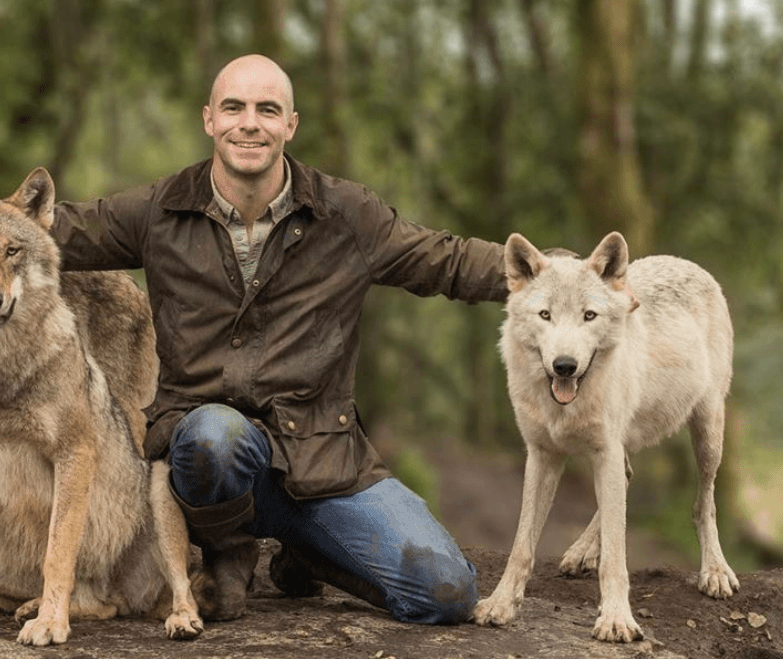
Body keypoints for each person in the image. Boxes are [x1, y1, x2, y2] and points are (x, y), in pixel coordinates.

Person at [52, 53, 508, 625]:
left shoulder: (346, 214)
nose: (250, 123)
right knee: (214, 435)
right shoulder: (159, 210)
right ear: (209, 120)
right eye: (234, 108)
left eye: (268, 110)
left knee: (446, 593)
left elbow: (447, 260)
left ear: (290, 125)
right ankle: (227, 548)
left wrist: (560, 274)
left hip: (322, 461)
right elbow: (51, 229)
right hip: (204, 462)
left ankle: (308, 555)